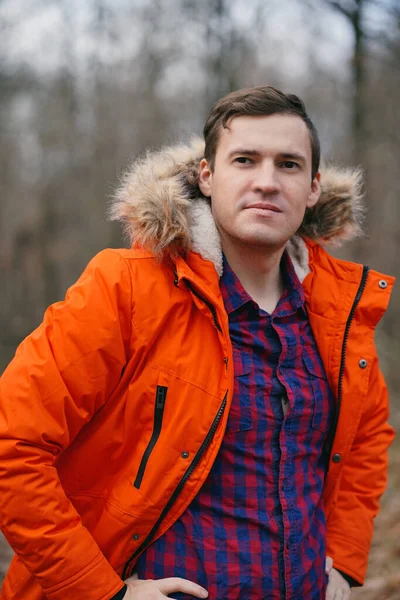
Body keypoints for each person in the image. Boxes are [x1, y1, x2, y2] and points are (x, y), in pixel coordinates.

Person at [0, 86, 395, 600]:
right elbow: (12, 443)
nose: (267, 182)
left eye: (290, 165)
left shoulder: (337, 311)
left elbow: (365, 440)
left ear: (315, 187)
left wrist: (341, 559)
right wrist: (102, 592)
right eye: (245, 160)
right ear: (207, 176)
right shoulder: (126, 288)